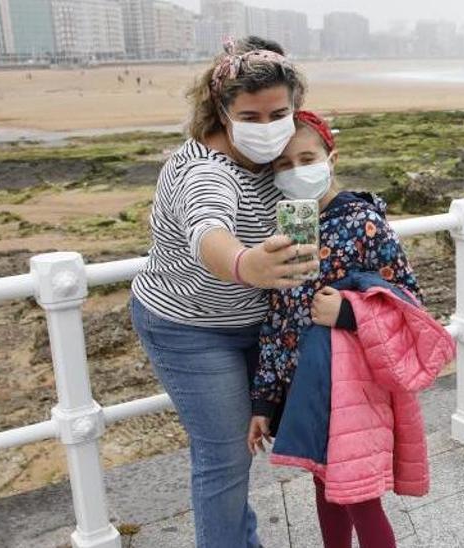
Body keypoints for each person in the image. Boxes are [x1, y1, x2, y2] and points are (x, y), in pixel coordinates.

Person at [128, 35, 314, 548]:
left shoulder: (281, 156)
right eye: (249, 118)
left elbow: (315, 204)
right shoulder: (202, 171)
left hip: (258, 323)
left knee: (285, 427)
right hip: (188, 327)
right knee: (226, 455)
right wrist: (243, 262)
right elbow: (208, 228)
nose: (266, 127)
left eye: (277, 114)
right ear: (221, 112)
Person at [249, 112, 453, 548]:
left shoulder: (364, 223)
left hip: (350, 385)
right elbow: (276, 319)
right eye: (283, 165)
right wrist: (264, 399)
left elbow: (408, 300)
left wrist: (348, 312)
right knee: (324, 484)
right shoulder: (281, 233)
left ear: (331, 158)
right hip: (301, 383)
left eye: (306, 158)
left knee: (359, 496)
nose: (296, 170)